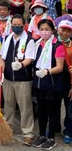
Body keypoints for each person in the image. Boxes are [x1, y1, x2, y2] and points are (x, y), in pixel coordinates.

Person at [0, 14, 35, 146]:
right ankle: (8, 129)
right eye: (14, 24)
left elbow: (29, 58)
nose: (16, 27)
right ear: (11, 24)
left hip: (23, 79)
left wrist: (21, 65)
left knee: (25, 107)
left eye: (19, 25)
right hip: (8, 78)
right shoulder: (7, 38)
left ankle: (28, 133)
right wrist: (0, 73)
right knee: (8, 106)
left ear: (24, 25)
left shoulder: (29, 40)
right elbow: (2, 57)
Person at [31, 19, 65, 150]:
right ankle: (41, 136)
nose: (44, 32)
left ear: (52, 30)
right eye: (42, 29)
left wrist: (47, 71)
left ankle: (51, 138)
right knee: (41, 111)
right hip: (39, 84)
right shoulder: (37, 43)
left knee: (52, 112)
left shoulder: (58, 46)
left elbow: (60, 67)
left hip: (52, 85)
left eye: (47, 29)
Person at [57, 20, 72, 144]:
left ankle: (68, 131)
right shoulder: (53, 43)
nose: (65, 33)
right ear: (58, 30)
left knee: (69, 108)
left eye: (68, 31)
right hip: (55, 79)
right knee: (54, 105)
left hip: (70, 81)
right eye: (63, 30)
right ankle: (55, 126)